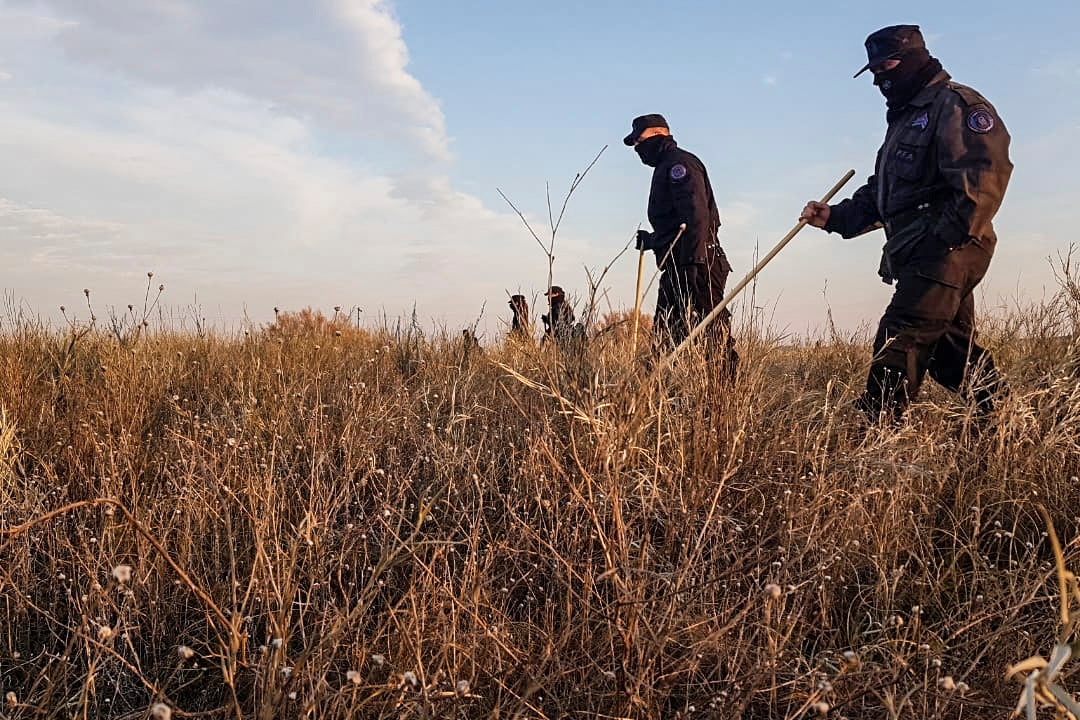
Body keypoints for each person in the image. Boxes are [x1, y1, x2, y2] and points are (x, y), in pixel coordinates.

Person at [800, 25, 1012, 423]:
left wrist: (941, 242)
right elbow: (885, 192)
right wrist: (835, 217)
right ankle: (1004, 420)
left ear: (915, 58)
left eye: (888, 65)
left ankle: (874, 436)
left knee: (900, 341)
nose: (880, 78)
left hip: (948, 250)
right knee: (950, 352)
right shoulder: (904, 121)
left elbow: (985, 178)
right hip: (917, 252)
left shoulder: (955, 105)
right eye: (874, 71)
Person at [625, 114, 738, 375]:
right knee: (667, 336)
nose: (637, 150)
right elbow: (676, 226)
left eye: (638, 142)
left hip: (697, 265)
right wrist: (653, 241)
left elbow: (697, 216)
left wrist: (694, 262)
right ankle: (666, 397)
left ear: (656, 134)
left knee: (711, 334)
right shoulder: (665, 166)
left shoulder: (679, 165)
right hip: (679, 264)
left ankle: (724, 395)